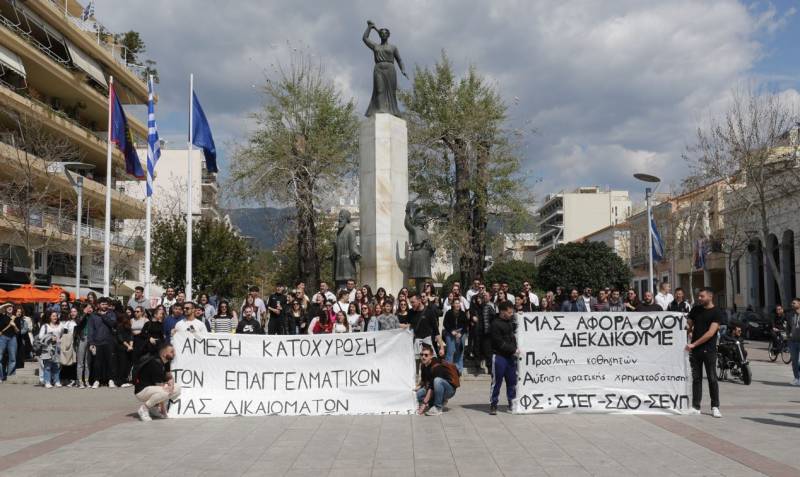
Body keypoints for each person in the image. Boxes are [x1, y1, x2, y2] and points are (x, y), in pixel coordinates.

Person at [686, 287, 723, 418]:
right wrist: (687, 329)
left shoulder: (716, 312)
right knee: (696, 379)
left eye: (702, 296)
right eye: (699, 296)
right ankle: (696, 406)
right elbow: (687, 325)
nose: (699, 298)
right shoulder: (695, 309)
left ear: (710, 296)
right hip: (695, 351)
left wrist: (694, 343)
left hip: (709, 350)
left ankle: (715, 406)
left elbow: (710, 333)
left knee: (712, 378)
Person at [134, 343, 180, 422]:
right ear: (164, 353)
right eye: (172, 352)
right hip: (142, 391)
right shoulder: (155, 363)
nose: (174, 354)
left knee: (177, 388)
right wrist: (163, 409)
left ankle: (154, 409)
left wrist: (171, 385)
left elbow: (169, 376)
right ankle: (144, 409)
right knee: (165, 391)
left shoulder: (166, 361)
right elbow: (159, 385)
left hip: (153, 389)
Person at [489, 301, 518, 415]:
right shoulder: (495, 324)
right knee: (497, 382)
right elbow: (499, 343)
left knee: (512, 381)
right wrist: (514, 350)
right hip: (499, 357)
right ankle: (493, 404)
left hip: (510, 358)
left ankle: (512, 403)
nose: (511, 314)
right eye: (509, 312)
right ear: (502, 312)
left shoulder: (510, 322)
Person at [416, 344, 459, 416]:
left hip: (449, 390)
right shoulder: (423, 365)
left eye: (426, 355)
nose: (423, 357)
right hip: (434, 388)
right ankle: (436, 401)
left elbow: (431, 388)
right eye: (422, 354)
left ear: (431, 356)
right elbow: (423, 382)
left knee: (437, 381)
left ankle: (438, 407)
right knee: (416, 395)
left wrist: (424, 404)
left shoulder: (436, 366)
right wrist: (413, 390)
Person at [88, 297, 117, 388]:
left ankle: (110, 380)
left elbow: (112, 324)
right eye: (102, 304)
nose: (104, 306)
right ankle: (96, 380)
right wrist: (91, 342)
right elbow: (91, 330)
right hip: (97, 342)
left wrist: (103, 316)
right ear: (98, 305)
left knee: (110, 362)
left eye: (106, 304)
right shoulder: (93, 315)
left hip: (109, 341)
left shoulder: (111, 314)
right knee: (97, 362)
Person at [409, 294, 445, 364]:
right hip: (416, 344)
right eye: (411, 302)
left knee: (431, 367)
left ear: (419, 301)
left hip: (428, 343)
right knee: (415, 369)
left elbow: (436, 332)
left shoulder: (430, 312)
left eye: (413, 302)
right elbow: (407, 326)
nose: (411, 304)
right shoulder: (410, 313)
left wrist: (442, 347)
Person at [443, 298, 468, 374]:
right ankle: (448, 371)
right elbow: (445, 324)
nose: (457, 305)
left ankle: (458, 370)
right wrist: (451, 331)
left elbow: (466, 325)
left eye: (458, 303)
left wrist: (461, 333)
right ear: (453, 304)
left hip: (461, 333)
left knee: (460, 352)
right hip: (451, 333)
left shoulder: (463, 313)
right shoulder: (448, 313)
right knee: (450, 352)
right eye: (456, 303)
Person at [114, 312, 134, 388]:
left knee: (127, 364)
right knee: (121, 364)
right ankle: (120, 381)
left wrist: (131, 345)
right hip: (121, 347)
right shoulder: (119, 326)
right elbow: (120, 338)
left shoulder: (129, 326)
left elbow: (131, 336)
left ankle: (125, 380)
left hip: (129, 347)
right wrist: (128, 345)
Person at [0, 302, 19, 382]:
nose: (9, 307)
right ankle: (1, 376)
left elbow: (18, 331)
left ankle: (10, 376)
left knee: (12, 358)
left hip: (12, 338)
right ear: (5, 308)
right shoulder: (1, 317)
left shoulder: (16, 318)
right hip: (3, 337)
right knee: (0, 357)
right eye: (7, 306)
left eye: (11, 306)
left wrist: (14, 326)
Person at [787, 298, 800, 386]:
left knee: (799, 361)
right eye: (792, 303)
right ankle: (796, 378)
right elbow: (787, 326)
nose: (792, 304)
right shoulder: (790, 315)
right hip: (792, 341)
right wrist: (788, 334)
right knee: (794, 361)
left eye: (794, 303)